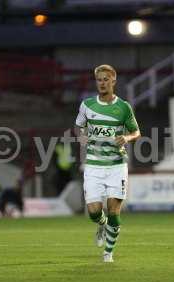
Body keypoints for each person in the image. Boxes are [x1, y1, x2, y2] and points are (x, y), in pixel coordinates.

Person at [74, 64, 141, 263]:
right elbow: (79, 127)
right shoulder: (86, 105)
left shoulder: (123, 107)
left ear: (113, 81)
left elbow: (137, 132)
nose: (102, 83)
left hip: (116, 166)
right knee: (94, 212)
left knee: (114, 211)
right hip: (93, 166)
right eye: (99, 80)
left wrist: (127, 138)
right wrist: (82, 136)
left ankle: (108, 253)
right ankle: (100, 225)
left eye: (105, 79)